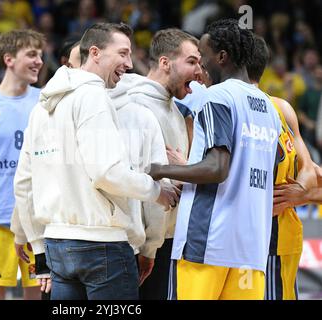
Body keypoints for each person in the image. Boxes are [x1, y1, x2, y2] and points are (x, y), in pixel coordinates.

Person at [10, 22, 178, 300]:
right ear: (96, 52)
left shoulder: (42, 105)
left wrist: (39, 248)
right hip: (104, 247)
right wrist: (157, 192)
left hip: (57, 247)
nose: (129, 63)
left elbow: (24, 184)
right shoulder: (93, 95)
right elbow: (107, 173)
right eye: (122, 53)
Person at [149, 19, 281, 300]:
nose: (200, 67)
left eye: (203, 55)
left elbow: (217, 168)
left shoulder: (216, 97)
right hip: (252, 245)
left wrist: (161, 169)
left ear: (221, 56)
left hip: (207, 241)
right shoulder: (269, 106)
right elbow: (273, 160)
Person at [126, 28, 202, 300]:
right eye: (192, 61)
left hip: (166, 240)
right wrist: (148, 248)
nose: (199, 72)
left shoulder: (175, 109)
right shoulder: (136, 105)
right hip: (143, 244)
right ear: (165, 62)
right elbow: (145, 182)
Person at [0, 29, 44, 300]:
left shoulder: (45, 101)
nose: (38, 61)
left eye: (40, 54)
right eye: (31, 54)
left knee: (38, 295)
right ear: (9, 59)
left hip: (38, 218)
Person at [246, 35, 317, 300]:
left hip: (275, 239)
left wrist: (301, 191)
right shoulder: (215, 106)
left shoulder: (280, 108)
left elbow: (311, 170)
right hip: (235, 239)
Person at [107, 73, 170, 289]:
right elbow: (159, 182)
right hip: (121, 243)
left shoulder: (55, 108)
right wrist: (150, 247)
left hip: (61, 240)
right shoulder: (142, 115)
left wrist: (35, 238)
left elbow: (31, 178)